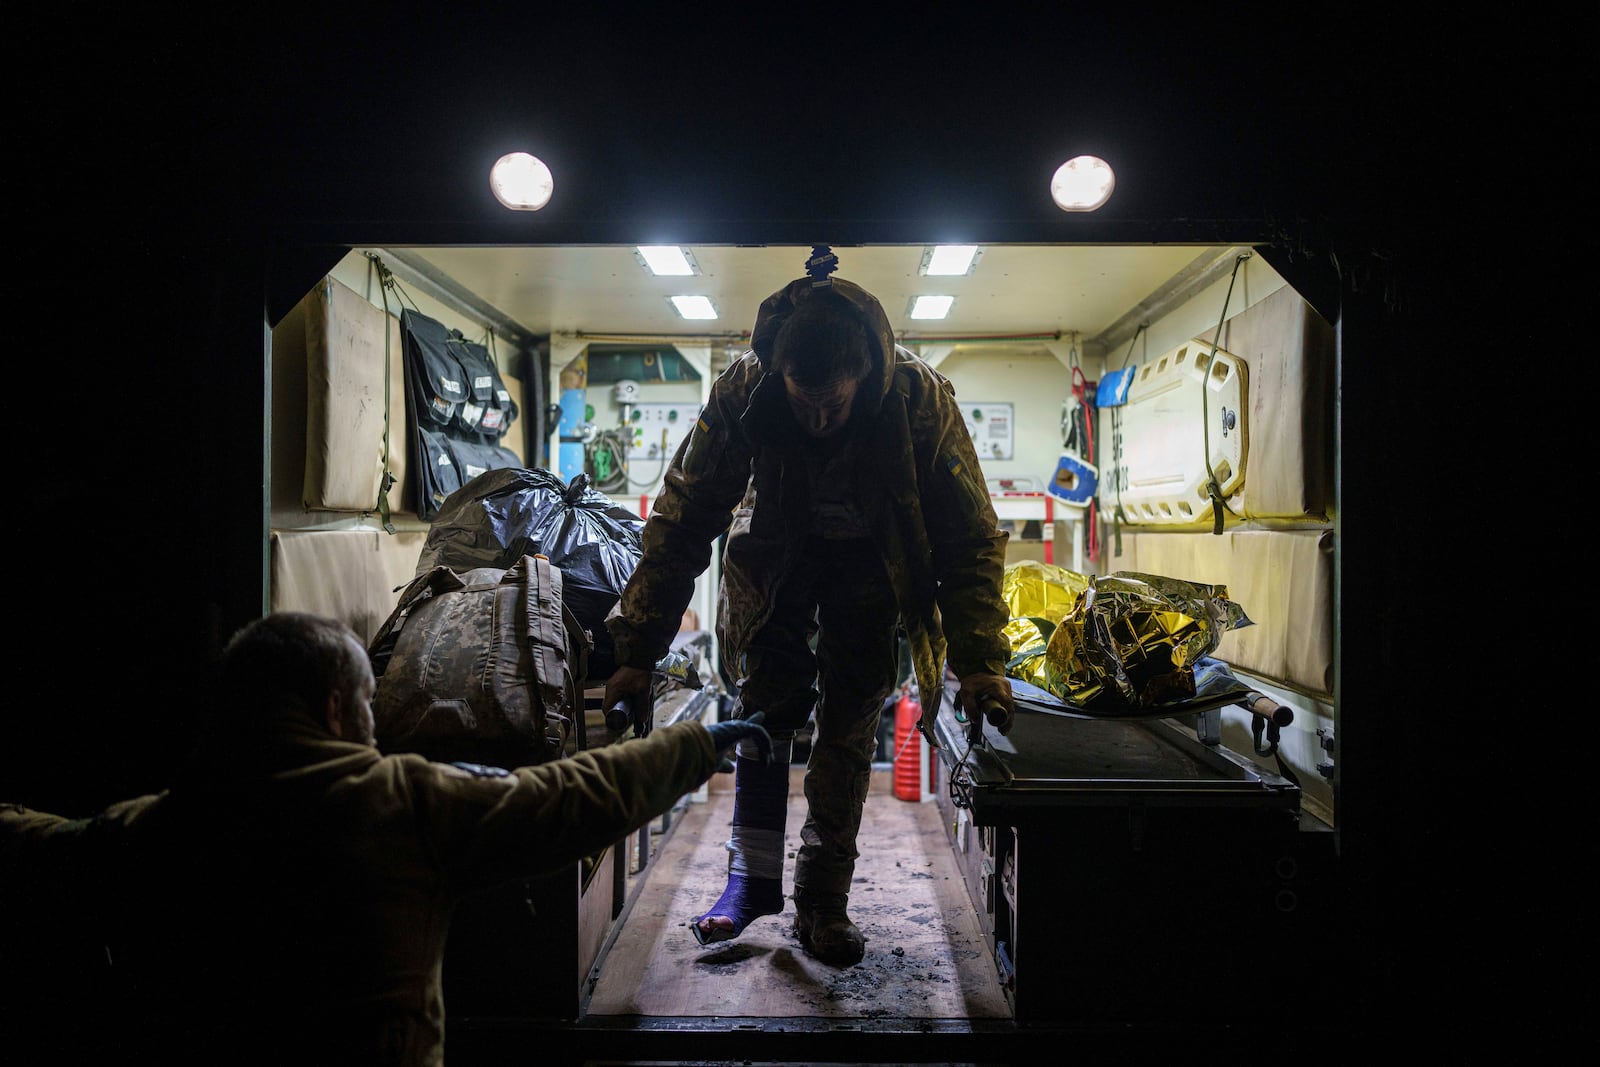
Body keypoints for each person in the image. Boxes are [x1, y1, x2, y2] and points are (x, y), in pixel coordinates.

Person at [0, 611, 770, 1067]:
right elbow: (573, 797)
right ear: (336, 708)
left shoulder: (151, 828)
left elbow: (43, 842)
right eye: (370, 701)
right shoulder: (401, 805)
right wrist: (698, 744)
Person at [604, 264, 1016, 968]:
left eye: (835, 407)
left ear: (865, 378)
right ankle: (750, 880)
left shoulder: (919, 399)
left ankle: (823, 900)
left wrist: (980, 660)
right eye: (804, 405)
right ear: (781, 377)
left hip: (872, 563)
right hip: (776, 557)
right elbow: (682, 519)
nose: (819, 420)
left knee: (851, 723)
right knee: (765, 711)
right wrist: (637, 647)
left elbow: (970, 535)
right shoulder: (744, 392)